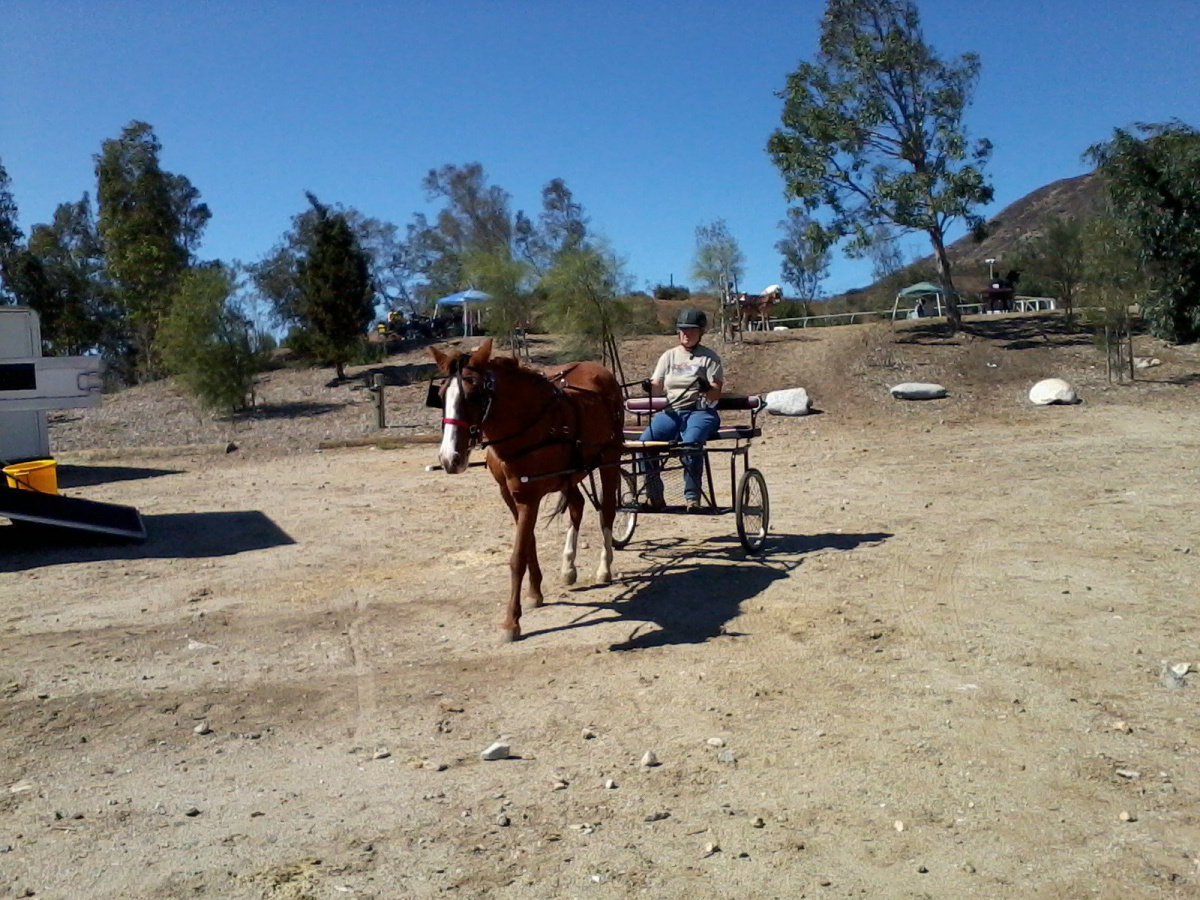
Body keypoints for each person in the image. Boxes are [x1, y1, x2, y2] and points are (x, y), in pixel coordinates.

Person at [638, 308, 724, 511]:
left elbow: (716, 394)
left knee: (691, 444)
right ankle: (654, 494)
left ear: (701, 332)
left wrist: (706, 388)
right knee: (643, 445)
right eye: (682, 330)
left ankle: (692, 497)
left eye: (691, 330)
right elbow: (658, 387)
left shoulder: (709, 358)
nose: (685, 334)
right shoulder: (668, 357)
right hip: (672, 412)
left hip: (701, 412)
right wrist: (649, 387)